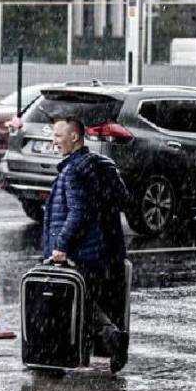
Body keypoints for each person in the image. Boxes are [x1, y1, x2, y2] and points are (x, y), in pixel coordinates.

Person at [43, 117, 131, 373]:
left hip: (80, 252)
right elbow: (122, 200)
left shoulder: (73, 171)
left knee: (75, 302)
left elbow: (78, 213)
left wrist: (61, 245)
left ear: (74, 137)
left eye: (58, 136)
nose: (54, 141)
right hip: (105, 250)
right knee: (93, 299)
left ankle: (110, 338)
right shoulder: (102, 165)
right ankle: (94, 350)